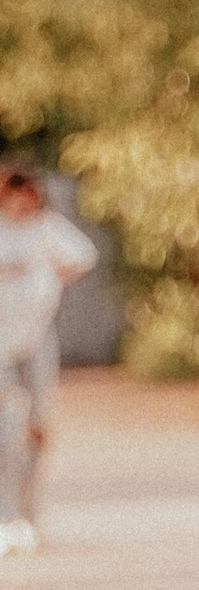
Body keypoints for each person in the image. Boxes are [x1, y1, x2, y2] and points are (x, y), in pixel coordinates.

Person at [0, 159, 99, 555]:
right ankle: (5, 515)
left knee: (37, 428)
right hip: (2, 344)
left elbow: (83, 255)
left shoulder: (46, 228)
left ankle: (28, 513)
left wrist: (50, 276)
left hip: (37, 337)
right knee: (8, 430)